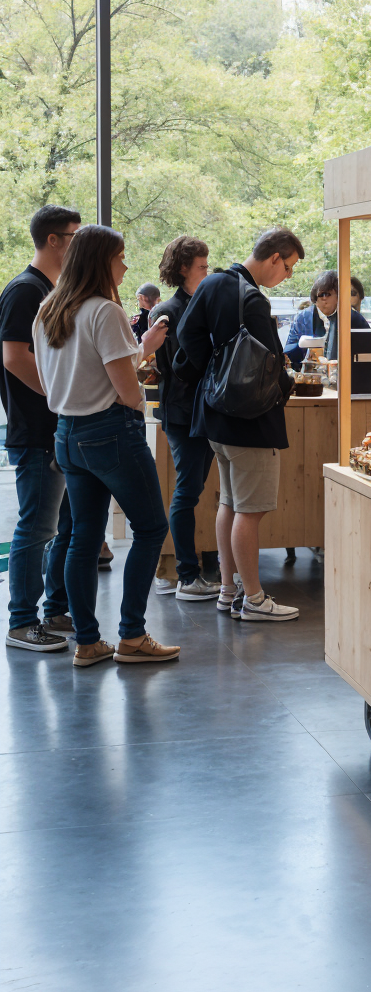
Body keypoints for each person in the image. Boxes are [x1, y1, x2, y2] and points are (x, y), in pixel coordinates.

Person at [32, 225, 176, 668]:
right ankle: (132, 635)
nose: (126, 266)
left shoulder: (47, 310)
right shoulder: (105, 312)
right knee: (151, 529)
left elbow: (61, 377)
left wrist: (136, 355)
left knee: (82, 538)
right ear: (101, 262)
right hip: (111, 433)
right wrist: (144, 355)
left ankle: (89, 641)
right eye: (120, 257)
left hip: (67, 434)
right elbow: (128, 391)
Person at [175, 227, 304, 623]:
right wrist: (288, 382)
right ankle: (254, 599)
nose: (287, 276)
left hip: (215, 418)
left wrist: (210, 373)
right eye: (289, 267)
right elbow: (272, 362)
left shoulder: (213, 283)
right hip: (251, 421)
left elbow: (185, 333)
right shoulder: (253, 301)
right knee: (250, 511)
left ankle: (229, 590)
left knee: (229, 503)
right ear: (273, 258)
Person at [2, 204, 81, 652]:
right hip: (36, 431)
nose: (79, 244)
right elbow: (13, 356)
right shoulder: (25, 290)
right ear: (54, 240)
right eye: (74, 235)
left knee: (63, 525)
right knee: (37, 528)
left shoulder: (48, 289)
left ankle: (54, 610)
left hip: (57, 429)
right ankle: (20, 622)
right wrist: (58, 396)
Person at [148, 235, 220, 602]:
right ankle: (188, 576)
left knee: (190, 492)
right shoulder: (170, 313)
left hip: (201, 412)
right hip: (182, 412)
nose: (207, 272)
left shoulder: (198, 305)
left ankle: (189, 574)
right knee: (187, 493)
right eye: (202, 267)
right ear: (183, 269)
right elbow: (180, 368)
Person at [285, 269, 370, 368]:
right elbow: (289, 355)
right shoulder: (303, 318)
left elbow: (368, 352)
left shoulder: (354, 318)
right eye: (321, 295)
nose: (323, 299)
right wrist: (306, 349)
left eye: (327, 294)